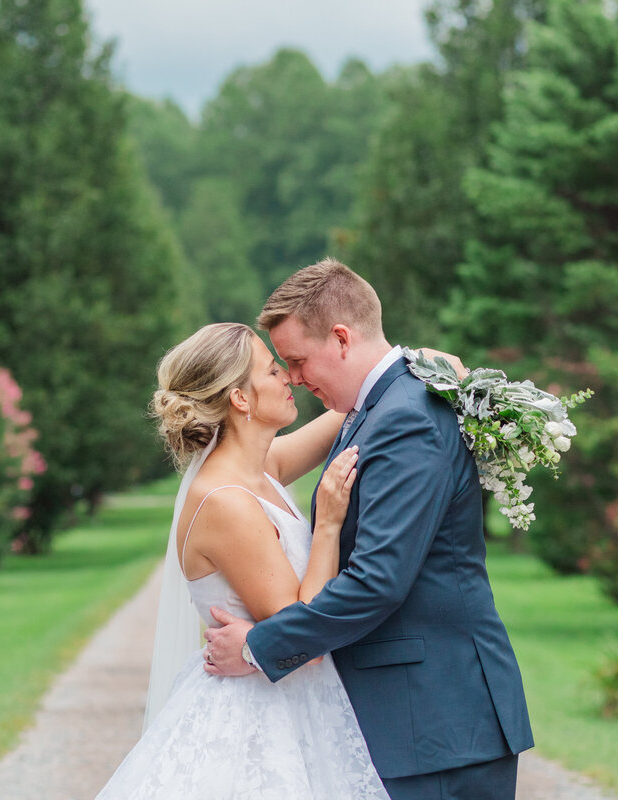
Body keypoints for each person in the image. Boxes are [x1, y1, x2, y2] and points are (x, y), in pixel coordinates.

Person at [205, 258, 534, 800]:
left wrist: (259, 647)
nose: (292, 378)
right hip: (412, 721)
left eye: (295, 360)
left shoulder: (406, 417)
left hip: (436, 723)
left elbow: (378, 581)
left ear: (339, 339)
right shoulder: (377, 407)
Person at [95, 321, 392, 799]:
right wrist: (328, 525)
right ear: (240, 399)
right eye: (274, 371)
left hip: (290, 701)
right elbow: (304, 633)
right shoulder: (225, 501)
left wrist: (415, 366)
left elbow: (350, 408)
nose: (290, 379)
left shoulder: (261, 469)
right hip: (256, 717)